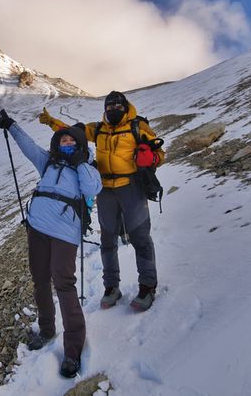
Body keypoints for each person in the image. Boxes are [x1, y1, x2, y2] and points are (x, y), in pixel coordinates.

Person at [0, 109, 102, 378]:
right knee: (40, 279)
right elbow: (28, 146)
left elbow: (92, 190)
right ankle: (46, 330)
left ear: (80, 144)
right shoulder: (48, 162)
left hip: (65, 233)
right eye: (63, 140)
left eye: (71, 141)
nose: (67, 144)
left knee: (64, 284)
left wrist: (79, 163)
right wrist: (11, 125)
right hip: (37, 227)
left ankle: (73, 349)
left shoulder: (88, 168)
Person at [38, 91, 165, 311]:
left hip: (132, 187)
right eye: (109, 107)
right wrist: (51, 122)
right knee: (107, 239)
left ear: (125, 107)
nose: (113, 110)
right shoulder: (98, 129)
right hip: (105, 189)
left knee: (140, 237)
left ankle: (147, 286)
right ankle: (111, 287)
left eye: (117, 106)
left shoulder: (138, 127)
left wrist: (151, 157)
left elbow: (159, 154)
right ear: (105, 109)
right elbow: (71, 133)